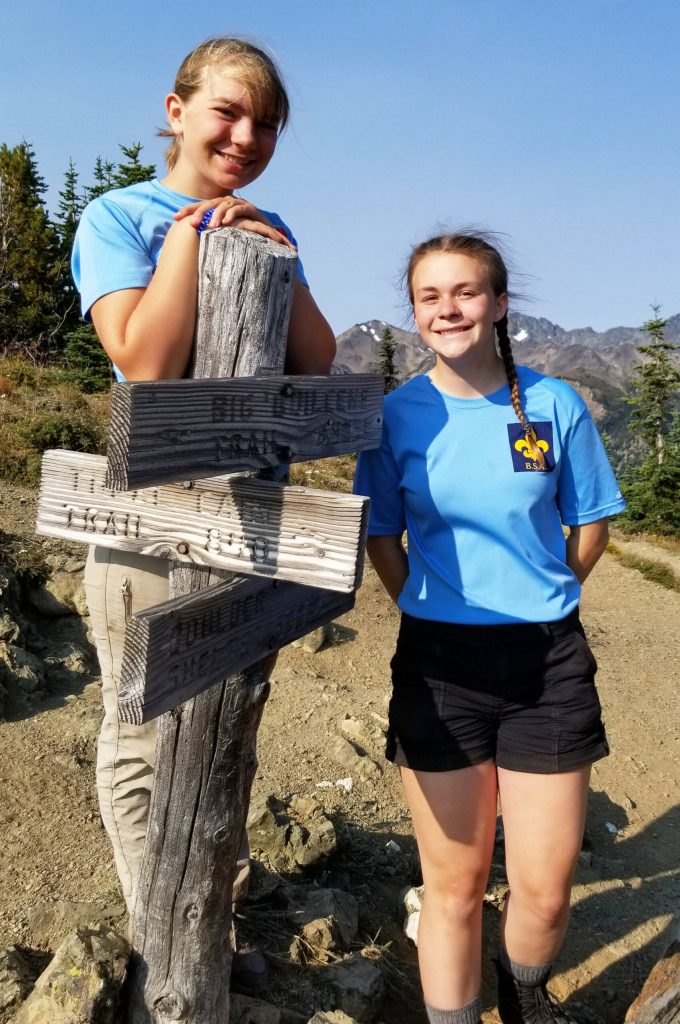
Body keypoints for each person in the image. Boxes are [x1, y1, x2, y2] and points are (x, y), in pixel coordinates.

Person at [71, 37, 335, 994]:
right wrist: (186, 236)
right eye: (228, 111)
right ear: (176, 110)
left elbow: (315, 363)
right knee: (142, 736)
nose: (247, 135)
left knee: (224, 723)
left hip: (239, 522)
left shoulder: (267, 219)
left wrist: (281, 255)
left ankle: (206, 926)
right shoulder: (117, 217)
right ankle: (168, 957)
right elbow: (142, 360)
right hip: (143, 524)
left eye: (266, 123)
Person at [354, 232, 625, 1024]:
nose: (449, 308)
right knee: (456, 885)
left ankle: (525, 990)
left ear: (500, 304)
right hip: (440, 663)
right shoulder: (397, 415)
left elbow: (590, 524)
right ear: (414, 313)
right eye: (430, 296)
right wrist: (423, 607)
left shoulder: (554, 403)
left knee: (543, 887)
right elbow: (384, 537)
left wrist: (547, 592)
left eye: (466, 292)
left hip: (547, 661)